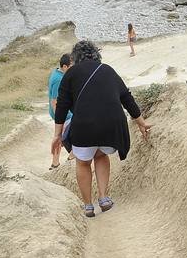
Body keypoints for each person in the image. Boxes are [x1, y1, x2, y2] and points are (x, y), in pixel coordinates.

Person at [51, 40, 150, 217]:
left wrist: (57, 135)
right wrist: (141, 122)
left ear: (75, 58)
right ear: (97, 55)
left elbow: (62, 106)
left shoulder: (71, 73)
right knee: (101, 154)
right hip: (111, 127)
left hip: (84, 127)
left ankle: (88, 205)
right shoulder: (108, 70)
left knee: (83, 162)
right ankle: (104, 198)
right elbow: (126, 98)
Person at [47, 53, 72, 169]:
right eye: (71, 67)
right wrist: (59, 121)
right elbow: (54, 102)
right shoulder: (59, 80)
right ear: (65, 67)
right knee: (70, 136)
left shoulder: (57, 73)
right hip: (63, 114)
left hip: (63, 113)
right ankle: (70, 159)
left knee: (60, 137)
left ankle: (55, 163)